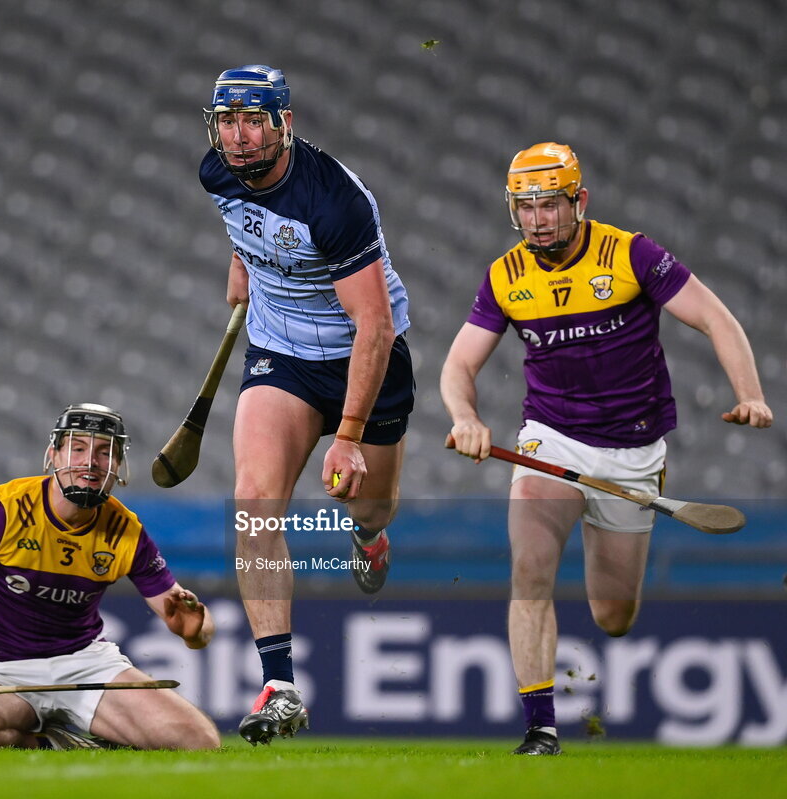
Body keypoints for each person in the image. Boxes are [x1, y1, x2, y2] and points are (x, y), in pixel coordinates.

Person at [440, 142, 773, 755]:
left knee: (613, 617)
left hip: (634, 451)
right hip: (551, 439)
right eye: (526, 206)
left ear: (579, 201)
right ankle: (540, 727)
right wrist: (466, 417)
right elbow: (459, 362)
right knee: (529, 566)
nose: (538, 218)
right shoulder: (505, 275)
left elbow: (716, 319)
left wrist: (749, 394)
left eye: (550, 205)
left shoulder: (631, 254)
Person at [200, 65, 414, 744]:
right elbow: (243, 224)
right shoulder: (216, 171)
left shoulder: (334, 201)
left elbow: (375, 327)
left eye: (253, 120)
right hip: (281, 354)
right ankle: (279, 683)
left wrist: (348, 434)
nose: (237, 136)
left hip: (360, 353)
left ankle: (369, 536)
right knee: (253, 498)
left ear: (284, 124)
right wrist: (242, 262)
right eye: (226, 121)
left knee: (370, 503)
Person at [0, 403, 220, 751]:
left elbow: (189, 621)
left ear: (117, 465)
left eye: (104, 452)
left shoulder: (125, 530)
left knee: (199, 741)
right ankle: (63, 744)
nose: (90, 462)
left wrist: (195, 632)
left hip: (85, 664)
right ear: (53, 454)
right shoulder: (3, 508)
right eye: (79, 447)